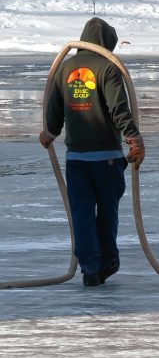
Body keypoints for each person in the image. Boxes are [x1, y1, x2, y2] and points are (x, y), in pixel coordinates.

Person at [39, 17, 145, 287]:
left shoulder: (65, 68)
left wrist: (49, 133)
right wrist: (134, 139)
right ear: (107, 42)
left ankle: (90, 268)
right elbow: (118, 109)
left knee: (82, 213)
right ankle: (107, 260)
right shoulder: (108, 68)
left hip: (76, 159)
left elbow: (54, 110)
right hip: (106, 158)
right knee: (107, 211)